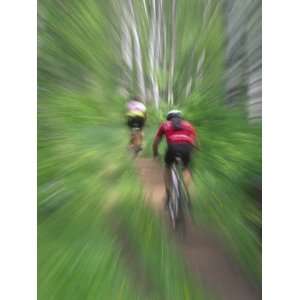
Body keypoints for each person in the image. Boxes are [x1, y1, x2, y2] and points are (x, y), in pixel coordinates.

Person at [152, 110, 197, 203]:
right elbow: (195, 142)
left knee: (167, 167)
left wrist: (155, 154)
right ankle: (185, 192)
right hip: (187, 148)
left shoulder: (165, 125)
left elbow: (156, 142)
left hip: (172, 148)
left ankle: (168, 195)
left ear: (169, 118)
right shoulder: (189, 125)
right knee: (186, 168)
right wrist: (193, 153)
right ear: (181, 117)